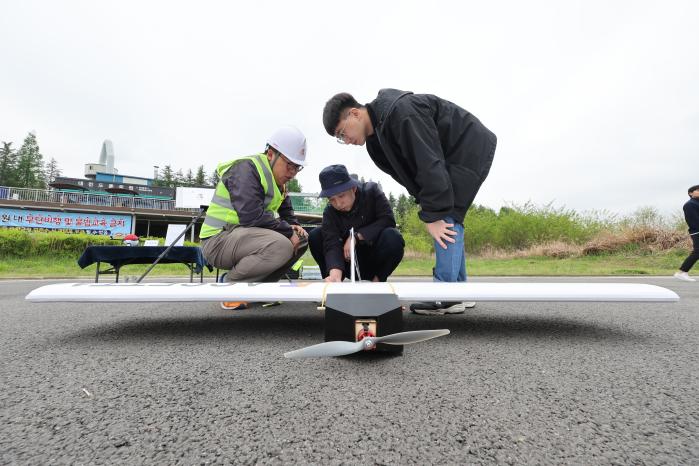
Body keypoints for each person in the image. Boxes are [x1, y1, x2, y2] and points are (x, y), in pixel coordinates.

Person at [322, 89, 496, 315]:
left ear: (354, 114)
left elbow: (428, 163)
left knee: (447, 214)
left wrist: (432, 214)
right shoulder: (375, 144)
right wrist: (426, 203)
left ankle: (446, 295)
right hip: (443, 160)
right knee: (449, 212)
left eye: (342, 133)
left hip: (464, 147)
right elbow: (409, 175)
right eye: (340, 139)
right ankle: (458, 290)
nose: (345, 140)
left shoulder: (401, 113)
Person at [200, 126, 309, 309]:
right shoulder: (246, 169)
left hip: (242, 236)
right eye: (289, 165)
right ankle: (231, 285)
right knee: (281, 245)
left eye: (297, 167)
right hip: (217, 240)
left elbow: (287, 213)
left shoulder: (279, 183)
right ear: (271, 154)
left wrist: (294, 227)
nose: (292, 173)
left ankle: (263, 289)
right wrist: (287, 231)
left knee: (302, 240)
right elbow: (251, 215)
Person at [308, 164, 404, 283]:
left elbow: (388, 219)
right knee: (315, 235)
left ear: (353, 188)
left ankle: (377, 282)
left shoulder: (372, 192)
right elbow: (331, 243)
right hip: (347, 263)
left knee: (393, 236)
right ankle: (335, 281)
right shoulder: (330, 212)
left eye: (341, 196)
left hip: (374, 258)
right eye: (331, 199)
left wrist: (357, 236)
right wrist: (335, 270)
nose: (338, 204)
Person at [674, 184, 699, 282]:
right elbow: (693, 220)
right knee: (697, 252)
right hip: (697, 231)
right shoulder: (690, 204)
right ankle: (682, 272)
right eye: (697, 190)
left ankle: (682, 272)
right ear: (690, 193)